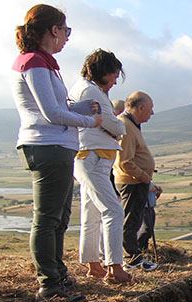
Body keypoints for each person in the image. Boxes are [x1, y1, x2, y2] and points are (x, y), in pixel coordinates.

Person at [12, 4, 102, 302]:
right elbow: (51, 113)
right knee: (48, 218)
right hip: (46, 145)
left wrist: (79, 108)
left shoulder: (45, 63)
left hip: (58, 146)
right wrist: (90, 121)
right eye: (66, 30)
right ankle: (49, 283)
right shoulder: (34, 63)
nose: (66, 37)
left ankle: (57, 275)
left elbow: (57, 107)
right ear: (53, 30)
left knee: (59, 217)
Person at [69, 49, 131, 285]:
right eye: (114, 75)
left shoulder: (83, 88)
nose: (115, 81)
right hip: (94, 157)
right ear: (103, 71)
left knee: (91, 213)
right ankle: (115, 267)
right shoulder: (92, 91)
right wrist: (119, 127)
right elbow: (114, 126)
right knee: (113, 210)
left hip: (89, 155)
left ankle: (93, 263)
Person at [114, 91, 159, 272]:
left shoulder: (132, 125)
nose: (152, 113)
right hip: (131, 182)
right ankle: (131, 259)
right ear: (140, 107)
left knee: (135, 220)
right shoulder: (125, 126)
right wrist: (144, 176)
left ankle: (134, 256)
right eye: (150, 108)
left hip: (137, 182)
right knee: (130, 221)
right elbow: (124, 161)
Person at [137, 182, 161, 252]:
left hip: (151, 207)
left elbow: (154, 197)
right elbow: (138, 192)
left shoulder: (151, 183)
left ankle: (144, 247)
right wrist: (147, 189)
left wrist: (158, 192)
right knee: (146, 228)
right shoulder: (141, 182)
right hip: (144, 208)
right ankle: (138, 246)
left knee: (150, 230)